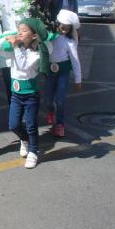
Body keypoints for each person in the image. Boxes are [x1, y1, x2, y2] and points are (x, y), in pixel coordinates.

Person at [0, 18, 48, 169]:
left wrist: (16, 46)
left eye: (24, 31)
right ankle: (25, 140)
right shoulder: (17, 50)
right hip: (16, 94)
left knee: (31, 125)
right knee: (13, 124)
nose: (20, 33)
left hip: (30, 94)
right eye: (19, 30)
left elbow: (23, 65)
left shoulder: (35, 54)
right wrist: (4, 36)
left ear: (34, 36)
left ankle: (33, 152)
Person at [45, 10, 82, 138]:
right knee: (48, 99)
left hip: (63, 73)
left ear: (71, 28)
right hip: (50, 71)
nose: (64, 27)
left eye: (68, 26)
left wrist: (78, 79)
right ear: (57, 24)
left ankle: (60, 123)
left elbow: (75, 60)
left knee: (60, 99)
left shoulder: (70, 42)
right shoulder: (50, 36)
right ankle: (50, 110)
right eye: (62, 24)